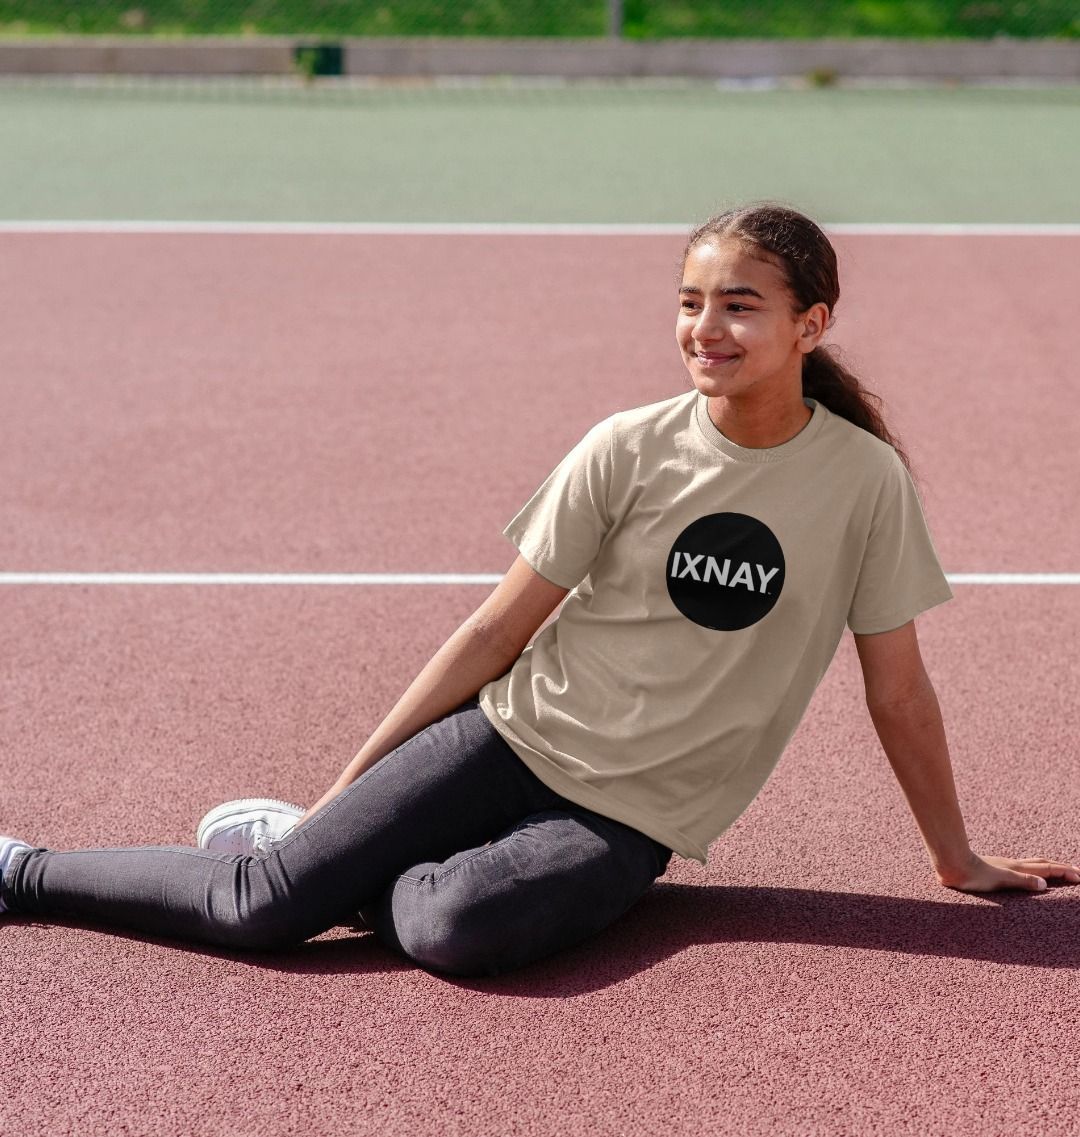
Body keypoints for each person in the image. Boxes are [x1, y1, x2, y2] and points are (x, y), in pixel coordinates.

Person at [3, 202, 1077, 978]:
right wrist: (348, 789)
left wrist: (954, 857)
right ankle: (24, 870)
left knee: (453, 935)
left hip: (625, 818)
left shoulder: (862, 483)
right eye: (690, 301)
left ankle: (348, 867)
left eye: (740, 306)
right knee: (260, 913)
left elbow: (898, 690)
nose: (707, 328)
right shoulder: (628, 446)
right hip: (506, 741)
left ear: (813, 323)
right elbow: (495, 630)